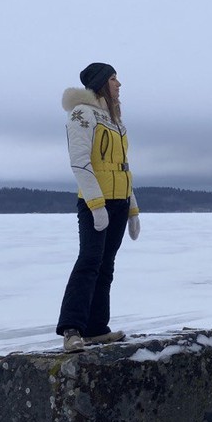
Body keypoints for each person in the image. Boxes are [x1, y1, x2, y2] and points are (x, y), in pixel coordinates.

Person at [56, 62, 141, 351]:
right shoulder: (83, 114)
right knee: (89, 262)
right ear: (102, 82)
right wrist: (95, 204)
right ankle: (72, 329)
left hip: (118, 202)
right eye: (114, 80)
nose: (119, 85)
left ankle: (95, 327)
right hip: (96, 204)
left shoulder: (115, 120)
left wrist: (132, 209)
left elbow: (123, 168)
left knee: (106, 266)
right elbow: (80, 162)